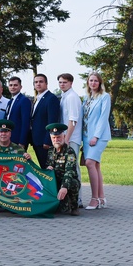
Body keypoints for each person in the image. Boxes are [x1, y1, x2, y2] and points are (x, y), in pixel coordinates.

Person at [0, 119, 30, 212]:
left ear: (10, 133)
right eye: (1, 132)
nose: (3, 134)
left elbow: (27, 168)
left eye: (6, 132)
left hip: (13, 185)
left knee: (14, 209)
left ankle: (7, 203)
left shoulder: (19, 150)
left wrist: (28, 158)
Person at [82, 72, 112, 210]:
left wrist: (96, 136)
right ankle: (101, 198)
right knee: (96, 165)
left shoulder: (104, 97)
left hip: (98, 136)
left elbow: (103, 118)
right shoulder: (87, 98)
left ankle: (94, 199)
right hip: (87, 136)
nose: (93, 83)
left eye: (95, 81)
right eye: (91, 80)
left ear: (100, 83)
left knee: (89, 163)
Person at [58, 73, 84, 208]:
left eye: (65, 82)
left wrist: (66, 139)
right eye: (60, 82)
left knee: (73, 168)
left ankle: (78, 198)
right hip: (66, 137)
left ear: (71, 83)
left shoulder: (72, 97)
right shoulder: (65, 96)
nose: (62, 84)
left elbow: (72, 120)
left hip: (71, 138)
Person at [45, 123, 81, 216]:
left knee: (74, 183)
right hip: (54, 182)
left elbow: (70, 171)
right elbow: (48, 166)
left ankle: (74, 207)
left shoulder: (69, 152)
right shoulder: (50, 151)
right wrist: (48, 168)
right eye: (54, 138)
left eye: (59, 137)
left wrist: (64, 186)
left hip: (66, 181)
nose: (56, 140)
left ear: (64, 137)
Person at [29, 74, 61, 169]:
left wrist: (48, 140)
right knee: (43, 168)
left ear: (46, 83)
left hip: (45, 142)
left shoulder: (51, 98)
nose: (38, 84)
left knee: (48, 169)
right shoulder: (37, 99)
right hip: (36, 141)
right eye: (36, 82)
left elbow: (52, 121)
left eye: (41, 81)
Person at [4, 76, 31, 149]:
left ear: (20, 87)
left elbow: (26, 123)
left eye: (15, 85)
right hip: (8, 139)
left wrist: (22, 142)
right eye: (11, 85)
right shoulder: (10, 101)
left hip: (18, 139)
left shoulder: (24, 101)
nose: (13, 87)